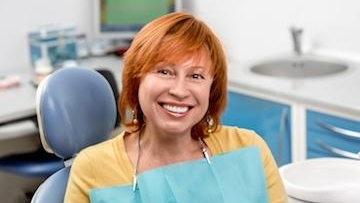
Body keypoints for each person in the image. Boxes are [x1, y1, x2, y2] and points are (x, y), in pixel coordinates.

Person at [64, 11, 288, 203]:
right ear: (136, 79)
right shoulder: (92, 168)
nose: (180, 91)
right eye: (164, 72)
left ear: (212, 89)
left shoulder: (249, 149)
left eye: (196, 76)